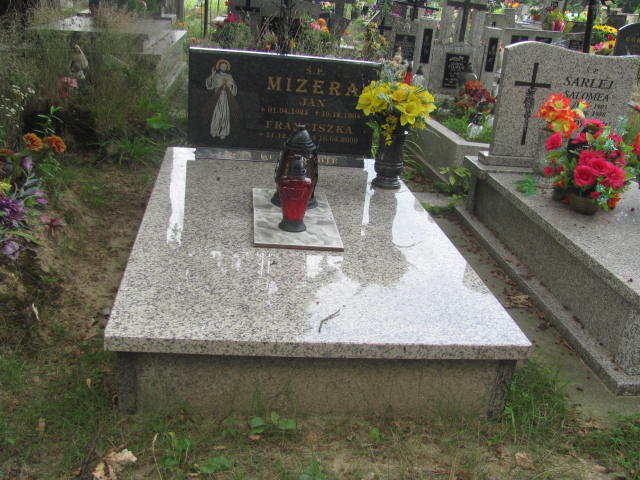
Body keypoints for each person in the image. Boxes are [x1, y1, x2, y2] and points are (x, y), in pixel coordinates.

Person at [205, 59, 237, 140]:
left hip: (226, 98)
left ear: (227, 67)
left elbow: (233, 88)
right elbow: (209, 86)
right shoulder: (216, 75)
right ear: (219, 67)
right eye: (222, 66)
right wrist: (212, 75)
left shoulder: (229, 77)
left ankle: (223, 132)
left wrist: (231, 86)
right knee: (217, 114)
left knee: (225, 115)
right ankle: (214, 131)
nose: (223, 67)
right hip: (218, 98)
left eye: (225, 66)